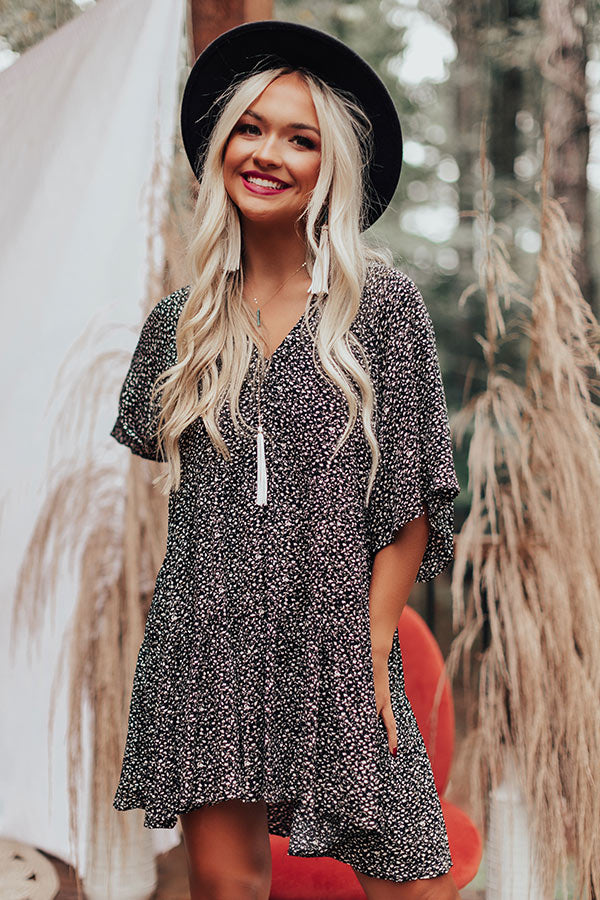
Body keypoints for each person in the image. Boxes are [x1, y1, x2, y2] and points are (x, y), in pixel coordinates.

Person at [110, 19, 461, 900]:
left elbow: (413, 497)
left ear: (330, 164)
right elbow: (176, 479)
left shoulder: (382, 306)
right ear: (221, 148)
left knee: (416, 880)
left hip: (337, 634)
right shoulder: (180, 324)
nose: (267, 153)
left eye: (300, 138)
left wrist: (372, 640)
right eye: (251, 129)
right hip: (209, 636)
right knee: (226, 885)